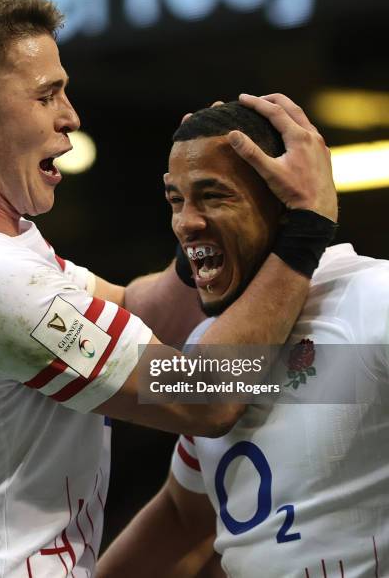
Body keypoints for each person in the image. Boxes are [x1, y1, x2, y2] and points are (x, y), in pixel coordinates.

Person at [0, 0, 337, 577]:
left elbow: (136, 309)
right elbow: (206, 395)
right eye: (47, 95)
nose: (71, 116)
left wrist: (203, 230)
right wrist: (306, 228)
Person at [96, 101, 389, 578]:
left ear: (283, 200)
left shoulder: (375, 299)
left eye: (213, 196)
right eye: (176, 200)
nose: (185, 222)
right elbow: (181, 512)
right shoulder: (206, 346)